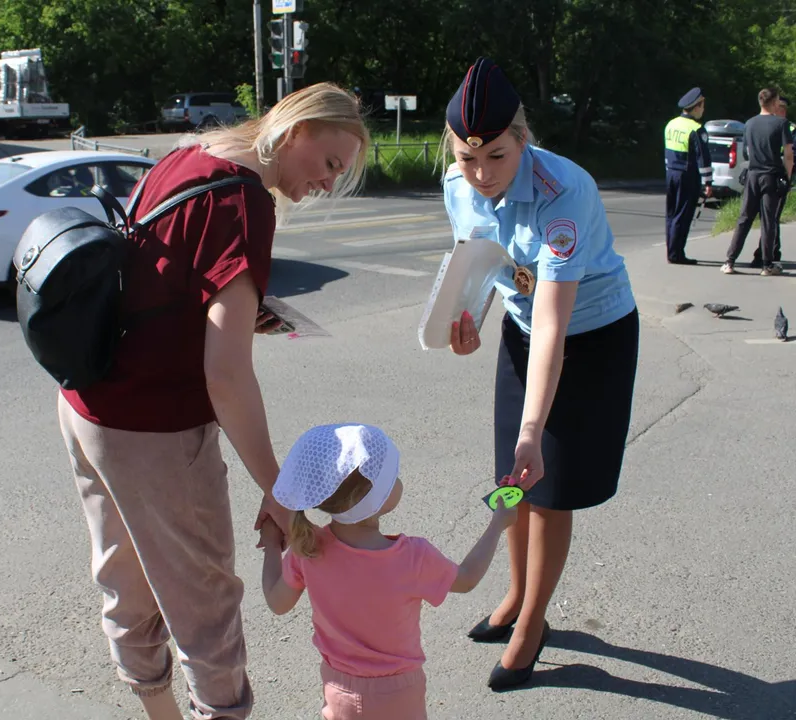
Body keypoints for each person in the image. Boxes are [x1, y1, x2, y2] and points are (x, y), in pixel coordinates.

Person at [56, 82, 369, 720]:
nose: (329, 183)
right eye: (330, 163)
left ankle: (159, 713)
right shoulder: (245, 200)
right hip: (157, 431)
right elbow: (226, 376)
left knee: (127, 583)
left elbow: (159, 275)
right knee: (207, 610)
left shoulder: (193, 154)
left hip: (88, 403)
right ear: (296, 131)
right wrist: (280, 490)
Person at [440, 57, 640, 690]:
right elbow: (480, 265)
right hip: (523, 330)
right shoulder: (456, 184)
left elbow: (556, 321)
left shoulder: (564, 191)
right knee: (512, 480)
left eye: (496, 156)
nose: (481, 174)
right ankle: (515, 593)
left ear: (522, 138)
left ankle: (532, 623)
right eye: (468, 158)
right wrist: (469, 320)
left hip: (590, 337)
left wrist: (534, 430)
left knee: (546, 486)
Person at [258, 423, 516, 719]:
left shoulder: (309, 549)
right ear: (375, 498)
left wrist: (271, 545)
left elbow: (277, 602)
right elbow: (467, 578)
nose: (399, 480)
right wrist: (498, 523)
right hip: (398, 696)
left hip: (338, 691)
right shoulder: (412, 557)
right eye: (392, 477)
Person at [722, 87, 793, 276]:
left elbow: (747, 152)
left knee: (744, 218)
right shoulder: (781, 123)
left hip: (753, 175)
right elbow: (788, 154)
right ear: (774, 102)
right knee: (768, 221)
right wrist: (787, 177)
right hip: (771, 176)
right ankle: (767, 265)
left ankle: (729, 262)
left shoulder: (749, 123)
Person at [663, 87, 713, 265]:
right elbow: (703, 158)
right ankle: (677, 254)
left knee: (671, 213)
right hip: (687, 176)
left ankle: (671, 250)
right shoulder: (696, 129)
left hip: (671, 173)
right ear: (696, 107)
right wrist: (708, 182)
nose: (703, 110)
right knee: (683, 215)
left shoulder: (671, 124)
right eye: (702, 106)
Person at [750, 95, 794, 267]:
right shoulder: (767, 125)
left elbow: (791, 156)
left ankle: (765, 254)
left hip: (779, 178)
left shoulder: (790, 129)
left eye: (780, 108)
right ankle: (772, 252)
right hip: (765, 175)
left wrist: (787, 178)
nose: (778, 110)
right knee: (768, 217)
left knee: (771, 216)